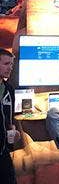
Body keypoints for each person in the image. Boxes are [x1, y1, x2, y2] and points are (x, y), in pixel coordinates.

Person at [0, 48, 20, 184]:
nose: (10, 68)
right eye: (6, 64)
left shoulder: (9, 89)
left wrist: (13, 131)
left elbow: (9, 121)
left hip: (4, 151)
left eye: (11, 64)